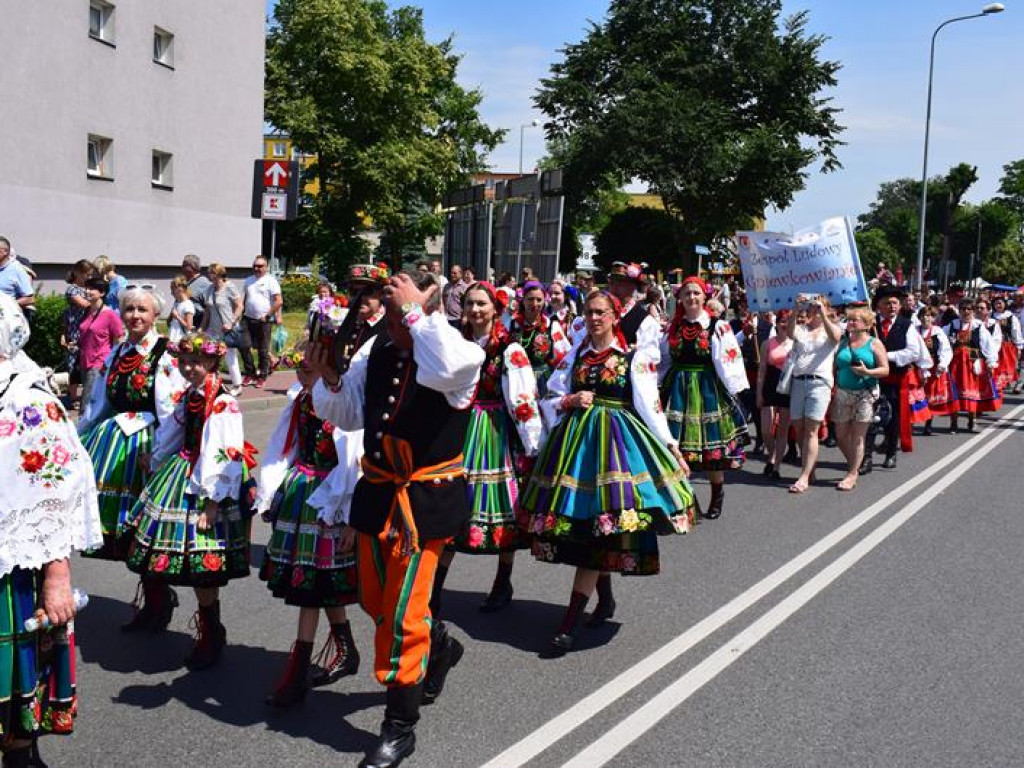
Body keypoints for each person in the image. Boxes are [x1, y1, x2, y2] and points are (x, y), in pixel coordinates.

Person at [309, 271, 484, 768]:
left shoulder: (460, 351)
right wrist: (327, 377)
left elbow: (443, 366)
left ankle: (399, 727)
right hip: (379, 492)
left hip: (425, 503)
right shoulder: (379, 350)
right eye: (385, 308)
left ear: (426, 307)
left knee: (405, 613)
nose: (387, 315)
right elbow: (347, 415)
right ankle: (441, 643)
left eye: (395, 306)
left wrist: (415, 313)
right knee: (373, 598)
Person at [521, 289, 696, 654]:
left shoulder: (631, 359)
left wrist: (671, 447)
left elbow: (650, 407)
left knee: (601, 528)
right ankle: (604, 601)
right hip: (577, 452)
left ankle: (570, 623)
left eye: (601, 312)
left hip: (616, 451)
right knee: (590, 530)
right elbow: (548, 397)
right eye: (590, 312)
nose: (595, 318)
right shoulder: (575, 357)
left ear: (615, 317)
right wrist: (571, 400)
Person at [0, 293, 102, 768]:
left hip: (11, 573)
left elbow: (56, 491)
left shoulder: (29, 401)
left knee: (15, 723)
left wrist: (57, 575)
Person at [122, 332, 253, 670]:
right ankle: (165, 610)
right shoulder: (189, 396)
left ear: (212, 363)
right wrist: (155, 460)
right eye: (185, 361)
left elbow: (223, 452)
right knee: (167, 552)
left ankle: (211, 631)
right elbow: (173, 431)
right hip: (181, 470)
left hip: (207, 481)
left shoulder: (222, 401)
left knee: (202, 564)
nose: (190, 367)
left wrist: (212, 501)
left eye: (197, 362)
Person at [256, 344, 362, 707]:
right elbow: (283, 447)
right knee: (318, 583)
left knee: (322, 585)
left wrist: (351, 518)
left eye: (309, 367)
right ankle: (344, 650)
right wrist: (270, 491)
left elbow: (353, 465)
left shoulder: (342, 408)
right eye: (299, 368)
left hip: (331, 500)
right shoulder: (301, 400)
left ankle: (297, 674)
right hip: (303, 494)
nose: (301, 373)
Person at [430, 282, 543, 619]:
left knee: (501, 506)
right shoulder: (457, 342)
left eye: (481, 304)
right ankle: (434, 589)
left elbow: (523, 401)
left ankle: (502, 581)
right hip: (458, 427)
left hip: (494, 432)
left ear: (496, 308)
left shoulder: (509, 349)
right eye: (469, 304)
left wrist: (532, 444)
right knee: (448, 504)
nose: (475, 310)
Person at [78, 284, 185, 629]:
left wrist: (160, 455)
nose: (136, 316)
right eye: (130, 310)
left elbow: (171, 409)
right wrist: (79, 439)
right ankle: (153, 599)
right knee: (125, 532)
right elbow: (99, 402)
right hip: (114, 443)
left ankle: (158, 600)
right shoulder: (118, 352)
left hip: (149, 444)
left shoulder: (166, 353)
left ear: (156, 315)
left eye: (143, 310)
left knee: (144, 526)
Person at [659, 276, 748, 515]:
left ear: (705, 296)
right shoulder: (673, 327)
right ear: (680, 298)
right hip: (677, 389)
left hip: (707, 389)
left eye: (696, 293)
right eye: (687, 294)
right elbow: (664, 360)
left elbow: (729, 359)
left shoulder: (717, 326)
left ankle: (717, 496)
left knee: (712, 452)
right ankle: (686, 501)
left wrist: (734, 389)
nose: (692, 298)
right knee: (676, 448)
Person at [870, 285, 932, 471]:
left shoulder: (906, 325)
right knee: (870, 417)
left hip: (895, 379)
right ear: (878, 306)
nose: (892, 306)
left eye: (895, 303)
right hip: (872, 379)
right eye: (887, 303)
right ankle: (865, 457)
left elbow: (912, 352)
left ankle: (891, 453)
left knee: (893, 417)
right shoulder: (870, 324)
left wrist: (885, 356)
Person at [785, 294, 841, 493]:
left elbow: (836, 337)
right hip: (799, 381)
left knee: (811, 429)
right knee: (799, 428)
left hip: (819, 383)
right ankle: (810, 467)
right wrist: (796, 308)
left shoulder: (831, 330)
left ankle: (804, 475)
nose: (813, 311)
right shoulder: (802, 329)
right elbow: (790, 333)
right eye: (812, 308)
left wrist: (823, 313)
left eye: (817, 308)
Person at [832, 307, 889, 491]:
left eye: (854, 320)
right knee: (840, 435)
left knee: (858, 436)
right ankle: (854, 463)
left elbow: (885, 370)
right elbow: (835, 365)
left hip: (865, 394)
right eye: (849, 319)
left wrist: (867, 372)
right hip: (842, 392)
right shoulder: (842, 341)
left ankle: (852, 473)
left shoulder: (874, 343)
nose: (850, 322)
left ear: (866, 325)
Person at [931, 300, 1001, 432]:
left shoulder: (978, 326)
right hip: (955, 364)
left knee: (972, 392)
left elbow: (988, 345)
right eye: (963, 309)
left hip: (972, 363)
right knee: (953, 392)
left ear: (973, 311)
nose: (966, 312)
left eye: (969, 309)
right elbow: (941, 342)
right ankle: (954, 423)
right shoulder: (951, 326)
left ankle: (972, 420)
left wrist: (991, 363)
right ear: (959, 310)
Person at [506, 280, 571, 395]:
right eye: (530, 299)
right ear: (523, 300)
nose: (535, 304)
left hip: (542, 381)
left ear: (544, 301)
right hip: (516, 380)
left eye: (539, 300)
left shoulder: (551, 326)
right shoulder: (511, 325)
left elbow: (565, 356)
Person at [76, 275, 124, 427]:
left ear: (102, 293)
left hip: (99, 363)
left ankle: (82, 438)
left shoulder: (110, 314)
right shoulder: (87, 311)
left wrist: (112, 363)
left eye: (92, 289)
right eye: (86, 288)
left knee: (87, 406)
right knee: (90, 403)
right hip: (85, 361)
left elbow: (119, 340)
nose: (87, 291)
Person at [757, 309, 792, 479]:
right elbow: (762, 370)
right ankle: (771, 454)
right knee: (766, 430)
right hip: (770, 386)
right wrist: (759, 393)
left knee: (782, 430)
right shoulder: (767, 343)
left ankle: (777, 465)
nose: (784, 325)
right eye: (781, 321)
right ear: (776, 324)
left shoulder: (795, 343)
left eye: (787, 321)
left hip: (788, 388)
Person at [201, 262, 244, 396]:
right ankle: (213, 381)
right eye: (208, 272)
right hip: (212, 329)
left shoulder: (229, 287)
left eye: (211, 272)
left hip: (226, 329)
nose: (208, 275)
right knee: (209, 355)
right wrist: (202, 328)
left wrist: (231, 322)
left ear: (218, 274)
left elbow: (239, 306)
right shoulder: (209, 290)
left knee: (230, 357)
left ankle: (237, 385)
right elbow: (207, 312)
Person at [239, 255, 282, 388]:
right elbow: (242, 300)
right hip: (247, 318)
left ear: (266, 267)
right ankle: (250, 373)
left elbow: (279, 301)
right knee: (244, 346)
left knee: (263, 350)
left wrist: (269, 314)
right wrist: (236, 317)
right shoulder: (248, 281)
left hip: (264, 321)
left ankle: (262, 375)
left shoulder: (271, 281)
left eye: (260, 266)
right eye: (255, 266)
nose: (257, 268)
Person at [61, 260, 94, 409]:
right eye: (87, 274)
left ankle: (87, 395)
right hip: (75, 331)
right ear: (78, 273)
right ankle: (73, 397)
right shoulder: (72, 290)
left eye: (91, 274)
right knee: (73, 365)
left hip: (88, 331)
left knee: (87, 364)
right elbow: (86, 305)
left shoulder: (89, 288)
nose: (89, 277)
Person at [917, 306, 953, 436]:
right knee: (915, 395)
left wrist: (942, 364)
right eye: (923, 315)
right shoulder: (915, 331)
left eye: (929, 315)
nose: (926, 318)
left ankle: (928, 424)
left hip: (932, 366)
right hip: (917, 366)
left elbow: (945, 349)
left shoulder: (937, 332)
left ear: (933, 318)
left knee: (930, 396)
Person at [992, 295, 1023, 392]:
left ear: (1005, 304)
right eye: (996, 303)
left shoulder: (1011, 317)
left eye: (1000, 303)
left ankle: (1005, 382)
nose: (998, 305)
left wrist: (1019, 346)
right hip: (994, 345)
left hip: (1007, 345)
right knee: (997, 364)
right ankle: (999, 382)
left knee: (1007, 365)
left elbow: (1016, 331)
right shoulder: (990, 316)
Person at [0, 235, 35, 311]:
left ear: (5, 252)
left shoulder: (16, 269)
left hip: (8, 318)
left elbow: (30, 299)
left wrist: (7, 305)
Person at [181, 254, 211, 331]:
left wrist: (202, 327)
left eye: (185, 265)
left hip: (197, 323)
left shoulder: (203, 282)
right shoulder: (184, 282)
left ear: (193, 267)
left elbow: (208, 307)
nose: (182, 268)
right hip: (183, 322)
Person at [167, 276, 195, 343]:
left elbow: (189, 327)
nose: (171, 293)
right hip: (172, 337)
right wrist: (171, 316)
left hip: (181, 340)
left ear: (179, 289)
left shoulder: (188, 304)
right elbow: (168, 323)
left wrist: (177, 316)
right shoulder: (176, 303)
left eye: (173, 290)